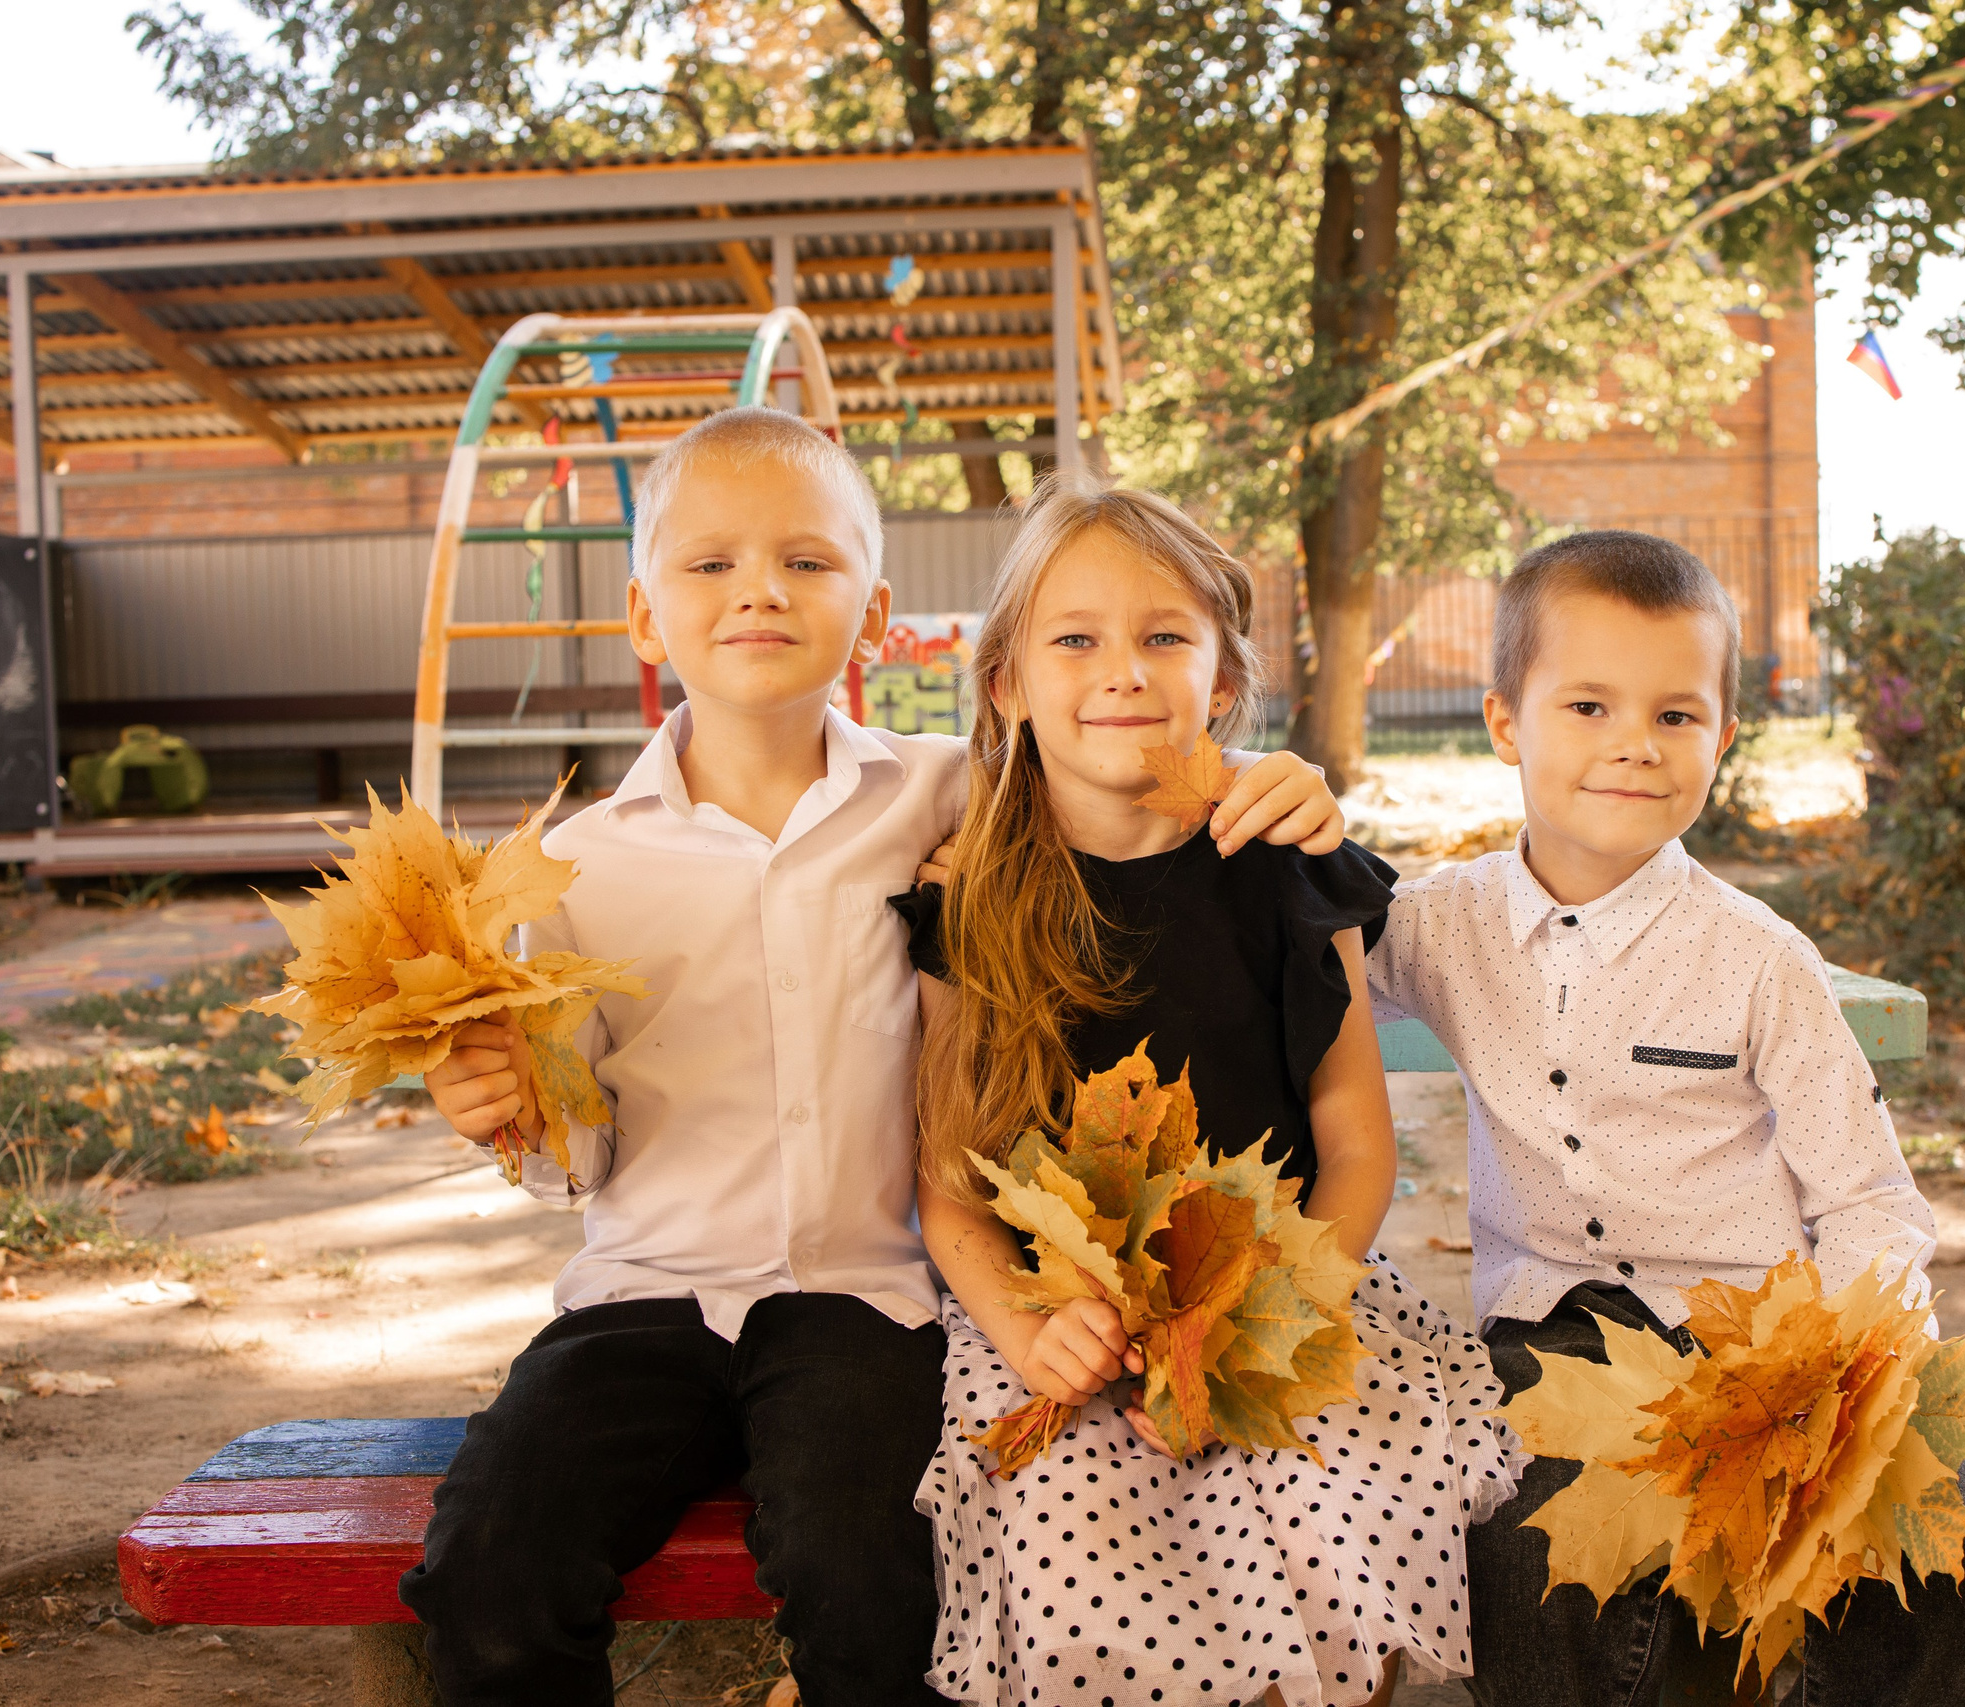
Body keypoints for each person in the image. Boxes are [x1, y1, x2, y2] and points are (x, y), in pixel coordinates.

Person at [403, 408, 1347, 1707]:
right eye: (711, 563)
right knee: (489, 1574)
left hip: (866, 1305)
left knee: (871, 1587)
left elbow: (1121, 763)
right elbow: (578, 1154)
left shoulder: (950, 791)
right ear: (642, 617)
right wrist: (508, 1108)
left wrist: (1264, 776)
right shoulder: (571, 867)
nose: (760, 591)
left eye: (806, 560)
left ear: (876, 613)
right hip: (638, 1300)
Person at [1364, 530, 1965, 1707]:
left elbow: (1869, 1200)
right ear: (1505, 723)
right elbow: (1291, 939)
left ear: (1720, 738)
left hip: (1775, 1335)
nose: (1634, 742)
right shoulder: (1438, 927)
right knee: (1529, 1562)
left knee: (1936, 1568)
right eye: (1587, 705)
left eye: (1676, 715)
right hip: (1555, 1337)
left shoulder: (1759, 960)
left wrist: (1839, 1379)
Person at [898, 480, 1527, 1707]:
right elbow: (947, 1189)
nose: (1121, 670)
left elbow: (1357, 1149)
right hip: (1063, 1328)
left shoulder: (1289, 872)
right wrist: (1029, 1337)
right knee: (1083, 1556)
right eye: (1073, 639)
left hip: (1287, 1290)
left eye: (1163, 636)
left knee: (1328, 1517)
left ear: (1223, 680)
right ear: (1007, 684)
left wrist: (1253, 1329)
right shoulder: (967, 899)